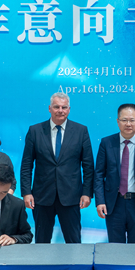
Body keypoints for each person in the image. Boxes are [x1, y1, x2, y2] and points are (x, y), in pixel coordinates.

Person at [21, 92, 94, 243]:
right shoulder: (35, 131)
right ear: (49, 108)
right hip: (42, 197)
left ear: (69, 109)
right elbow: (27, 165)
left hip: (71, 197)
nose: (60, 110)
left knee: (74, 243)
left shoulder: (81, 131)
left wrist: (87, 193)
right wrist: (26, 192)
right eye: (56, 107)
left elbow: (88, 166)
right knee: (42, 243)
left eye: (64, 107)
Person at [94, 104, 135, 243]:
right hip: (114, 204)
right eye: (124, 120)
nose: (128, 124)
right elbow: (99, 174)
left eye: (132, 120)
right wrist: (100, 201)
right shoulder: (107, 143)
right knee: (115, 247)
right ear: (118, 121)